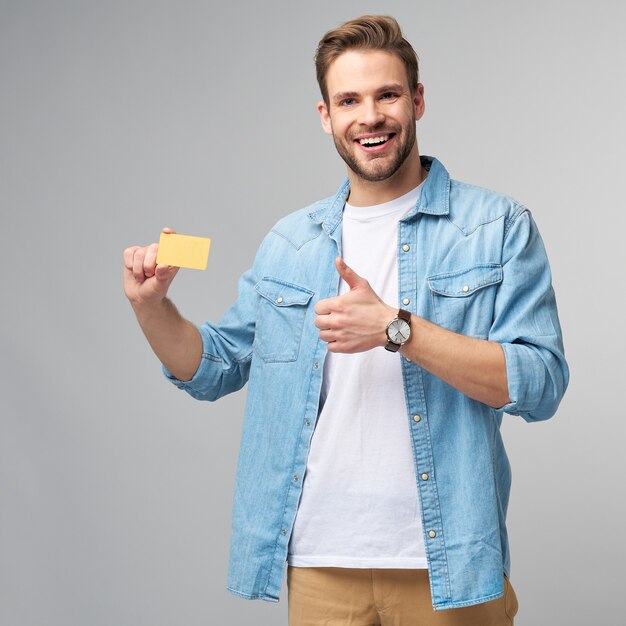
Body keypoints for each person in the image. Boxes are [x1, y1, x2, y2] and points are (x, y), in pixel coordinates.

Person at [123, 15, 568, 626]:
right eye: (349, 100)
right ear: (326, 116)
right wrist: (152, 308)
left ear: (416, 101)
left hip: (449, 566)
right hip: (318, 563)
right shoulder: (291, 242)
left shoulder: (496, 227)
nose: (371, 116)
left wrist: (395, 328)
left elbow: (540, 383)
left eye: (387, 95)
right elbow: (213, 368)